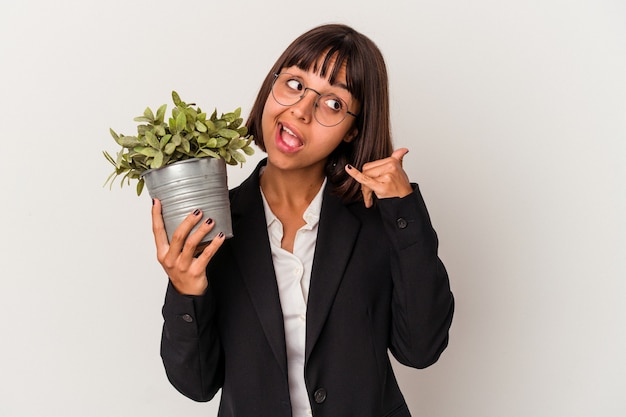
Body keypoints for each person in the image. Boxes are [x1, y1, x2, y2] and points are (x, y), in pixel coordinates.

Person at [152, 23, 454, 417]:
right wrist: (185, 290)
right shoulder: (214, 224)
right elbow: (196, 383)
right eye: (295, 84)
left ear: (353, 130)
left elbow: (421, 349)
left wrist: (404, 211)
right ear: (272, 85)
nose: (300, 110)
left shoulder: (380, 220)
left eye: (333, 104)